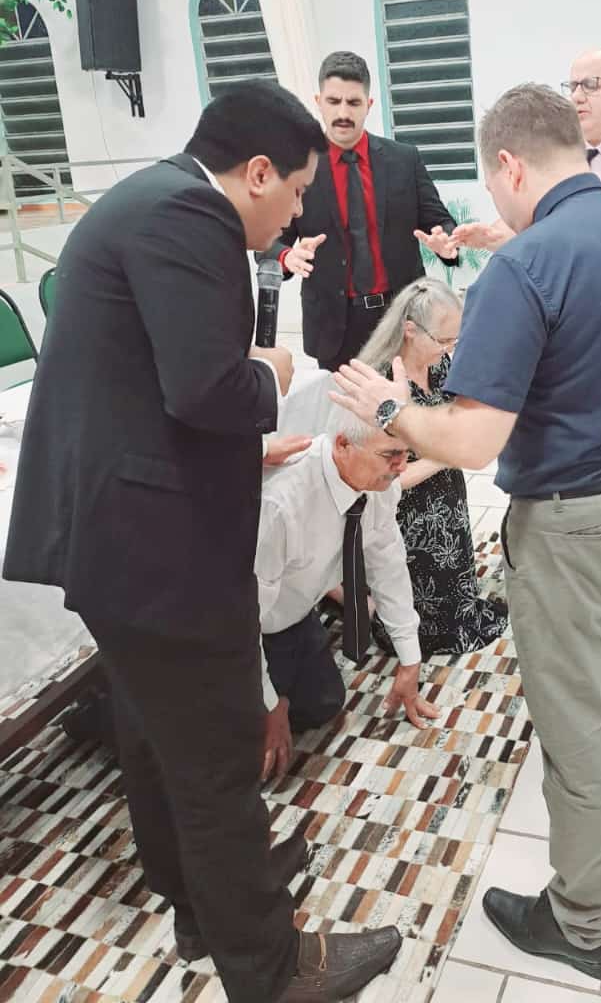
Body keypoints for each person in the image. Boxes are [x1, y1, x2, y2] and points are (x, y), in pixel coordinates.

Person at [2, 81, 401, 1003]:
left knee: (158, 734)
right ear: (257, 172)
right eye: (296, 190)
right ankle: (271, 970)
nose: (296, 212)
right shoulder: (191, 216)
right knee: (218, 757)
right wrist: (275, 370)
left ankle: (198, 898)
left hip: (121, 537)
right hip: (158, 549)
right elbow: (209, 388)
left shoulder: (152, 197)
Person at [331, 83, 601, 984]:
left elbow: (471, 441)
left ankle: (582, 921)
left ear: (509, 164)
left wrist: (387, 405)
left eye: (490, 184)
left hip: (576, 523)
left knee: (579, 719)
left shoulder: (525, 264)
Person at [256, 406, 441, 782]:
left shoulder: (378, 484)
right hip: (229, 624)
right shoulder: (280, 503)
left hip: (293, 608)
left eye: (406, 453)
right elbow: (238, 619)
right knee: (243, 752)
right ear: (343, 445)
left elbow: (389, 566)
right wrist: (267, 705)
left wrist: (410, 660)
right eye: (391, 454)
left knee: (324, 704)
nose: (402, 466)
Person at [263, 50, 460, 370]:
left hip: (403, 319)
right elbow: (268, 243)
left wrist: (447, 243)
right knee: (346, 403)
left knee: (406, 400)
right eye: (334, 101)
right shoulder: (295, 167)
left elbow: (441, 222)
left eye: (353, 102)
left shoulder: (404, 160)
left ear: (368, 104)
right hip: (334, 327)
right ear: (319, 102)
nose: (343, 112)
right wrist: (288, 256)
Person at [357, 279, 509, 656]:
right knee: (422, 595)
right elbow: (386, 479)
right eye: (443, 340)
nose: (449, 348)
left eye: (455, 339)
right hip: (404, 511)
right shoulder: (382, 385)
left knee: (457, 571)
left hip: (447, 494)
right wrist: (446, 454)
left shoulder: (440, 364)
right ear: (410, 330)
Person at [452, 47, 601, 252]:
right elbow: (533, 219)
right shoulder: (555, 150)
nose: (577, 97)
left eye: (591, 85)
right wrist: (491, 237)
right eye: (573, 86)